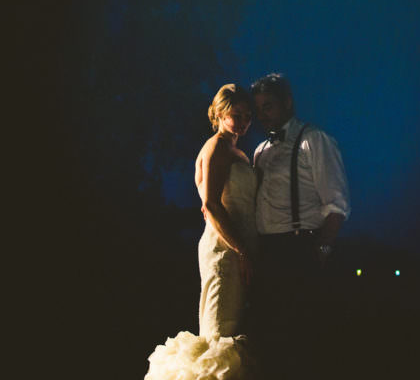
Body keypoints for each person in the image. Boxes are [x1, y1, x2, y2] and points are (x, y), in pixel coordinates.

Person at [144, 84, 259, 380]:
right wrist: (241, 250)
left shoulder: (236, 149)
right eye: (237, 114)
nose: (244, 121)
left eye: (248, 115)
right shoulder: (217, 146)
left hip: (237, 249)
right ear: (220, 113)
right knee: (218, 338)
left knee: (230, 333)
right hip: (225, 249)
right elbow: (209, 205)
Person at [249, 73, 351, 380]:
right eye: (259, 108)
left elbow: (337, 204)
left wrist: (321, 248)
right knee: (270, 344)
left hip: (299, 249)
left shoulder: (314, 139)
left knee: (302, 345)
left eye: (269, 106)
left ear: (288, 102)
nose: (262, 114)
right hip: (265, 253)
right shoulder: (260, 151)